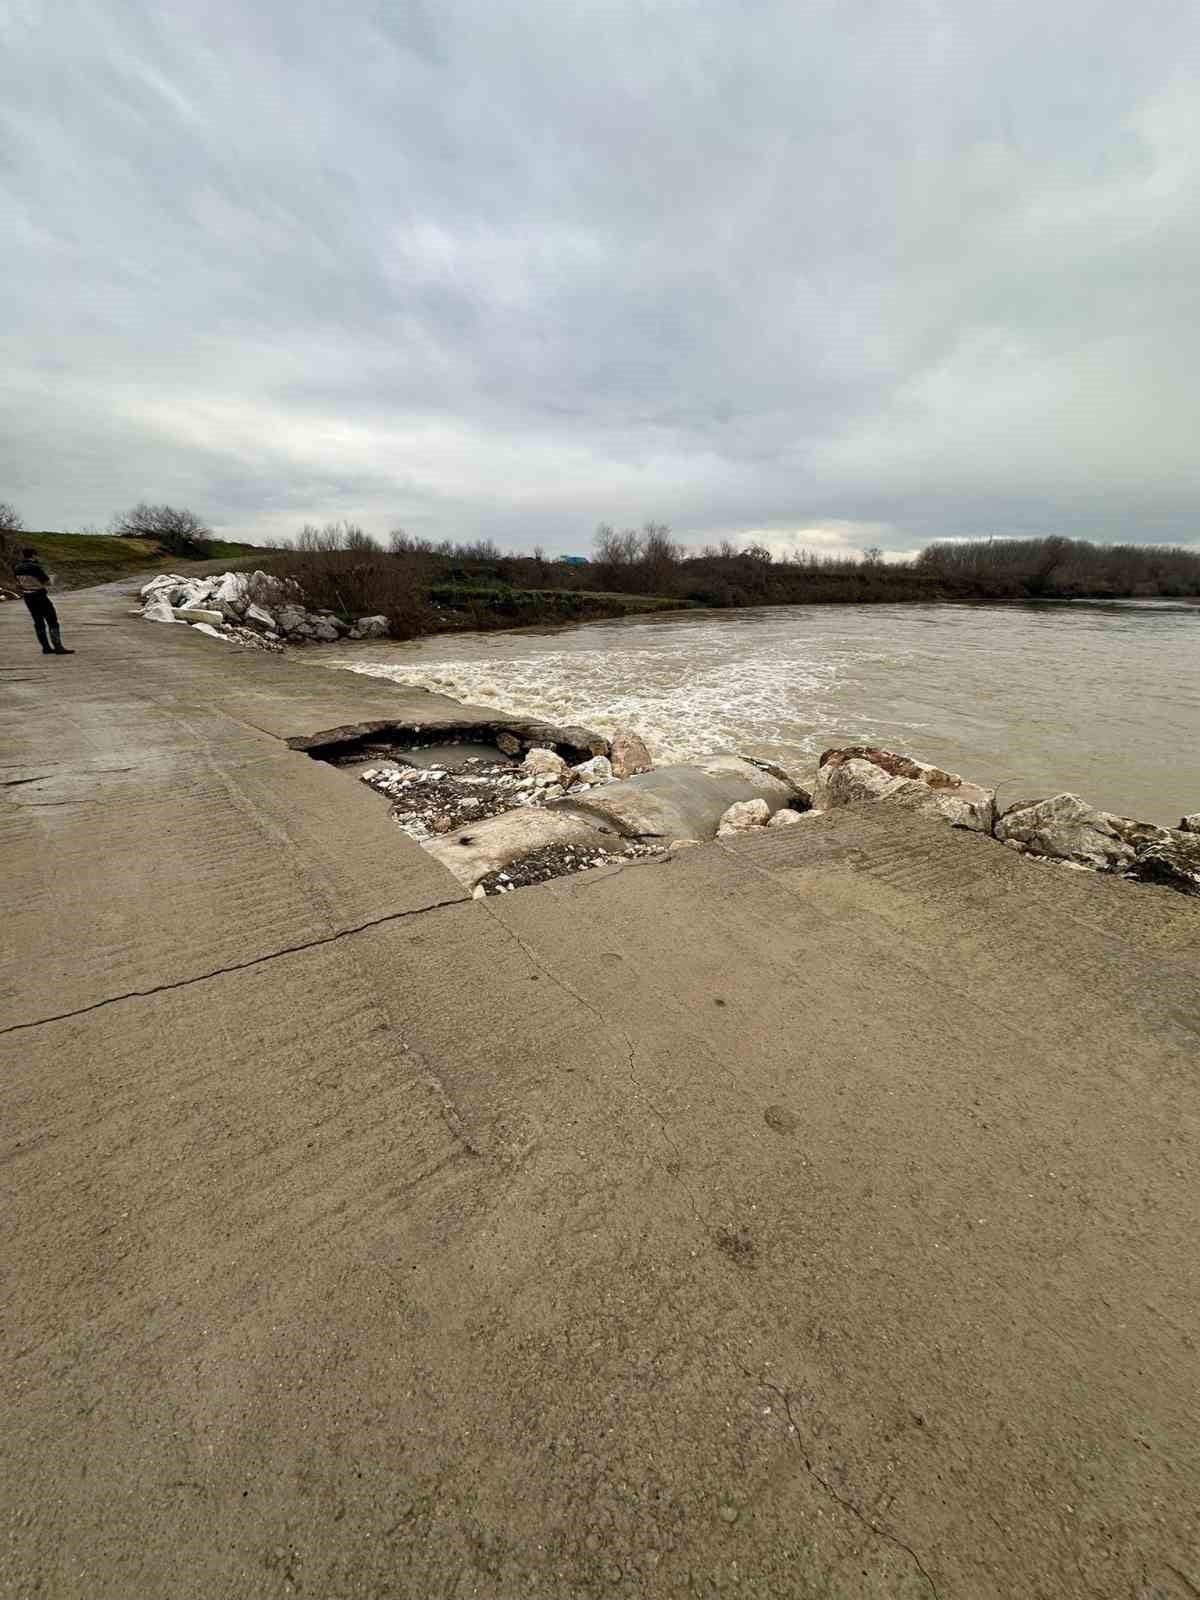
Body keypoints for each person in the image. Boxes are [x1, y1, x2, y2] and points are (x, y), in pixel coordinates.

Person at [6, 547, 74, 654]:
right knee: (52, 620)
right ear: (33, 555)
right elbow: (47, 582)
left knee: (38, 622)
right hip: (39, 595)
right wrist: (52, 579)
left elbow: (18, 583)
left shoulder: (17, 567)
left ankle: (46, 647)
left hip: (28, 597)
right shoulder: (35, 567)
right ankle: (58, 647)